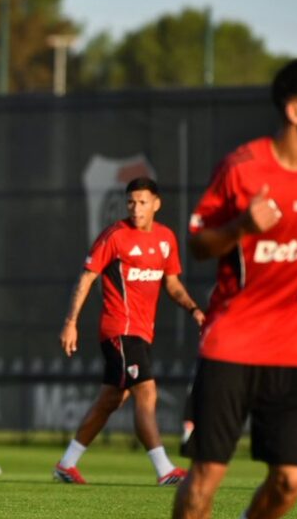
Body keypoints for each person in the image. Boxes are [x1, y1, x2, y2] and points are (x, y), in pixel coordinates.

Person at [159, 58, 297, 519]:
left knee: (290, 481)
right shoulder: (243, 168)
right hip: (232, 343)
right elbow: (201, 244)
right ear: (295, 110)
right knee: (206, 474)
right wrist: (242, 228)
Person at [56, 177, 205, 485]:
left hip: (142, 332)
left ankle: (67, 464)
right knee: (147, 392)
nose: (136, 209)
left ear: (156, 204)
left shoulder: (166, 238)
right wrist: (71, 322)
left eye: (142, 202)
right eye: (131, 203)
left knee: (110, 400)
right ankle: (164, 470)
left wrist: (193, 309)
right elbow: (86, 279)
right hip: (119, 329)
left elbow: (172, 284)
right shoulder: (115, 236)